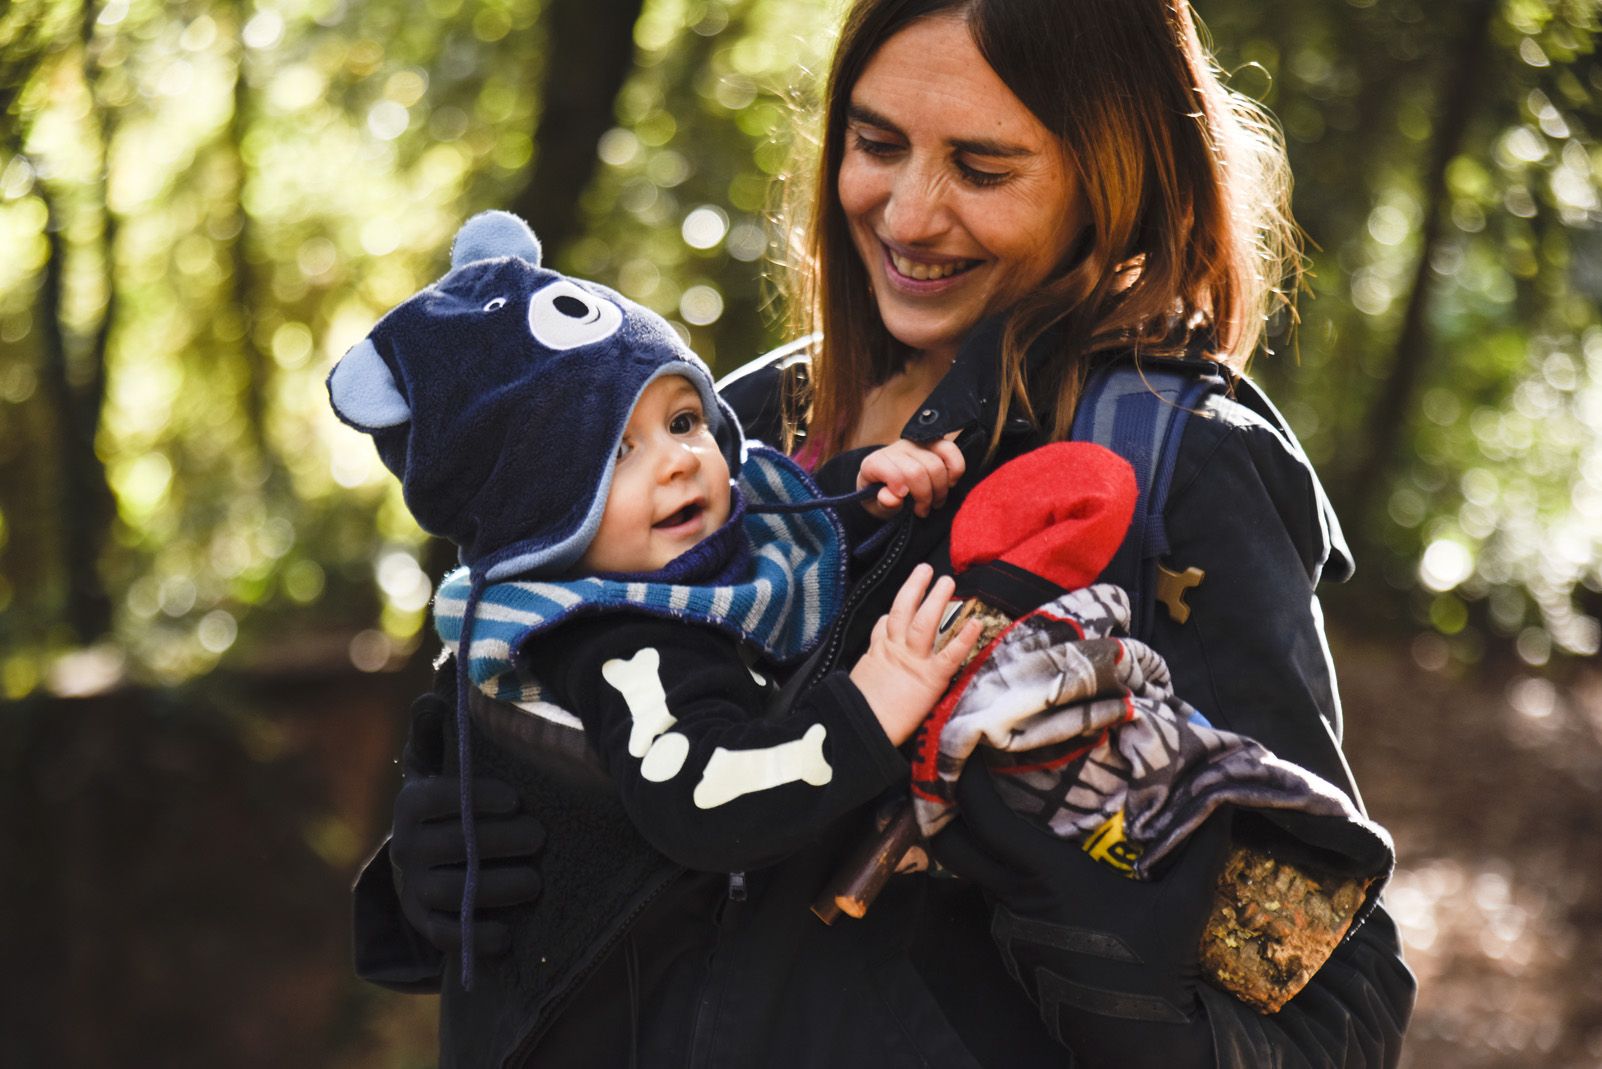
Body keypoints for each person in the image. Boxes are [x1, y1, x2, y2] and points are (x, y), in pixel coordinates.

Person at [355, 1, 1418, 1065]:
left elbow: (1336, 991)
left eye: (983, 168)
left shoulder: (1177, 465)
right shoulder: (738, 427)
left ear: (1115, 175)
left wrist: (1071, 911)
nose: (910, 214)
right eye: (876, 145)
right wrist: (442, 870)